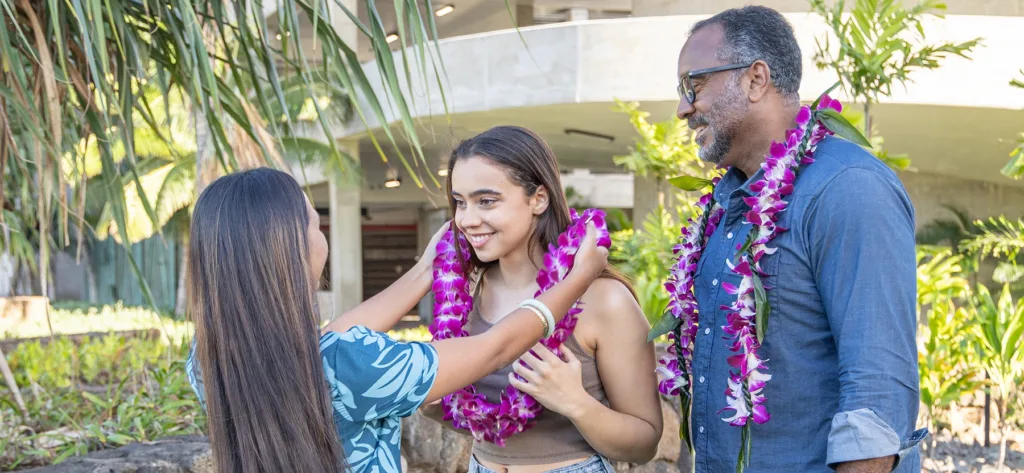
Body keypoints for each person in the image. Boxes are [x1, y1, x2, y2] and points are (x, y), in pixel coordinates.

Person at [184, 167, 611, 473]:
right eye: (316, 225)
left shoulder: (205, 359)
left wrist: (429, 269)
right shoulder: (355, 367)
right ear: (289, 249)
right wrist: (577, 279)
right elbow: (493, 348)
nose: (322, 237)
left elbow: (329, 343)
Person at [672, 6, 926, 473]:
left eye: (694, 85)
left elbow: (877, 397)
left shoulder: (848, 188)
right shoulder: (727, 201)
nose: (684, 108)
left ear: (755, 79)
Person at [421, 125, 663, 473]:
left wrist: (576, 403)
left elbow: (645, 445)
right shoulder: (467, 288)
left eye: (486, 201)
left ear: (539, 199)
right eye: (460, 202)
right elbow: (491, 428)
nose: (467, 220)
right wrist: (439, 404)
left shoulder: (602, 299)